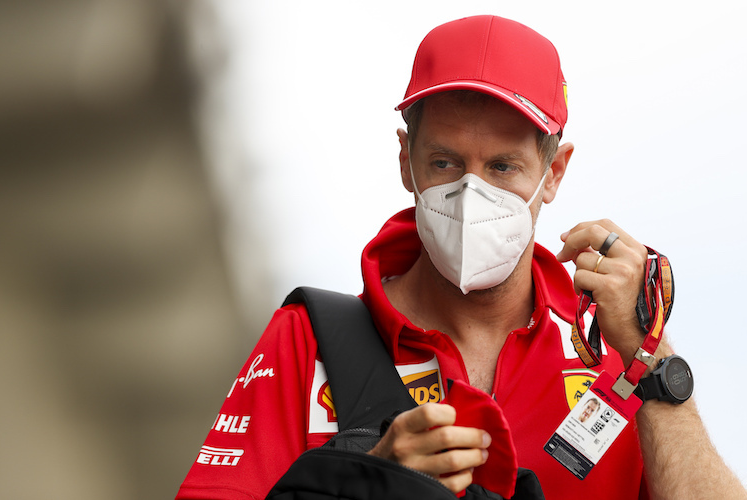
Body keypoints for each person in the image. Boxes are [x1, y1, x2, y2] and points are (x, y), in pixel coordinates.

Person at [176, 15, 746, 500]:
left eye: (502, 167)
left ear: (554, 174)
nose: (472, 195)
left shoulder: (615, 356)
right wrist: (367, 482)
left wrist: (649, 352)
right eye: (445, 162)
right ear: (406, 161)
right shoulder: (308, 342)